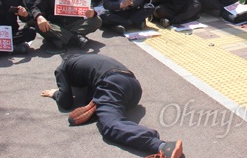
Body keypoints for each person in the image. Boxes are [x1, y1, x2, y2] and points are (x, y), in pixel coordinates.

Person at [40, 54, 183, 158]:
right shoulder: (87, 59)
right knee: (107, 108)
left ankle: (162, 146)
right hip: (133, 88)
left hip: (112, 84)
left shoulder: (62, 68)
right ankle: (98, 104)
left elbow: (66, 102)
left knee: (109, 125)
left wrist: (55, 93)